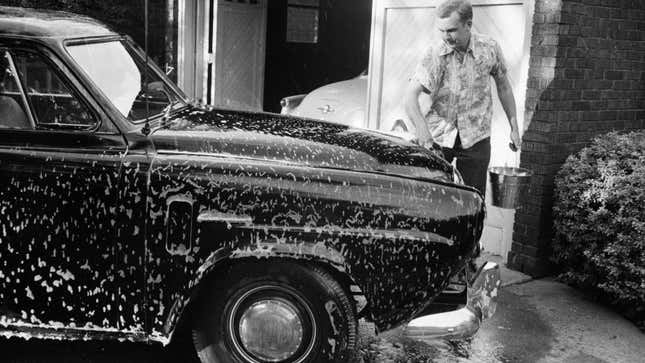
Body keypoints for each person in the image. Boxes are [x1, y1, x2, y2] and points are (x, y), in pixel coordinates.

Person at [404, 0, 521, 195]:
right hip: (438, 139)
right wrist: (423, 131)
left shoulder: (489, 48)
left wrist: (514, 127)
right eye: (441, 30)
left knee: (473, 201)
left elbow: (504, 87)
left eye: (451, 30)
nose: (445, 37)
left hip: (477, 138)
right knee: (429, 198)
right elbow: (409, 98)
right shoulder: (435, 53)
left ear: (468, 25)